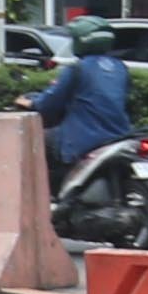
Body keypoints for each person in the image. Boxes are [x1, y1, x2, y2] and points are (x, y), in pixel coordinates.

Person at [28, 29, 134, 187]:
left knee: (38, 140)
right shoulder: (120, 68)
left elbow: (48, 104)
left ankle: (47, 193)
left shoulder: (77, 69)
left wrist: (31, 102)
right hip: (119, 134)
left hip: (85, 136)